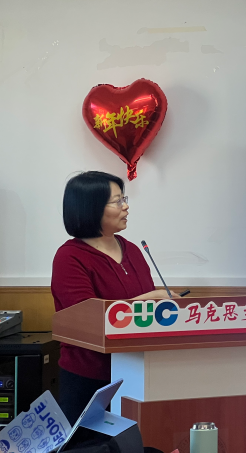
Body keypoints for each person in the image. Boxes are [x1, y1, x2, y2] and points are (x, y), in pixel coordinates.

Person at [51, 171, 172, 425]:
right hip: (90, 379)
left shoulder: (133, 250)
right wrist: (149, 298)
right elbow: (88, 319)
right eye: (117, 201)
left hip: (138, 372)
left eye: (124, 199)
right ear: (92, 207)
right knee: (90, 444)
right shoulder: (69, 257)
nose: (126, 206)